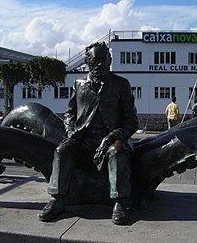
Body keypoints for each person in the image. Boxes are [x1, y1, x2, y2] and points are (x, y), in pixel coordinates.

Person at [39, 42, 139, 225]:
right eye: (95, 60)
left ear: (110, 60)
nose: (100, 64)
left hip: (112, 139)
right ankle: (57, 199)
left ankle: (120, 202)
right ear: (87, 62)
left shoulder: (121, 84)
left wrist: (111, 137)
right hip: (84, 140)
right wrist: (70, 131)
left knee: (118, 152)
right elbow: (70, 112)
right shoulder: (79, 84)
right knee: (62, 151)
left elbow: (132, 122)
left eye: (104, 59)